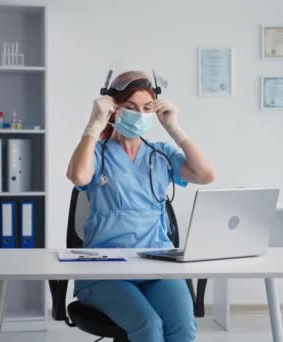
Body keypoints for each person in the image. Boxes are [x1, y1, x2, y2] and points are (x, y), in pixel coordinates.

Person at [66, 70, 216, 342]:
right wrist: (94, 123)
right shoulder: (97, 153)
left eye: (147, 108)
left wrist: (174, 128)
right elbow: (78, 176)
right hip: (104, 271)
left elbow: (206, 175)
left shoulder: (160, 154)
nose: (140, 114)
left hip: (155, 264)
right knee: (148, 326)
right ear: (113, 108)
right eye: (130, 107)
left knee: (182, 328)